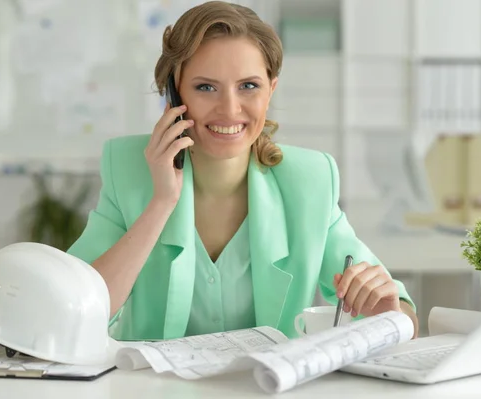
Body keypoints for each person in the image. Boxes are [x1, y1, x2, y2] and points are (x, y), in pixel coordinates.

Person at [67, 0, 419, 340]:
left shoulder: (310, 181)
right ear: (173, 93)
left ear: (270, 90)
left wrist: (389, 312)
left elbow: (402, 314)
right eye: (206, 87)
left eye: (249, 86)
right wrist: (161, 201)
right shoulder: (129, 169)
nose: (229, 109)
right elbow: (75, 310)